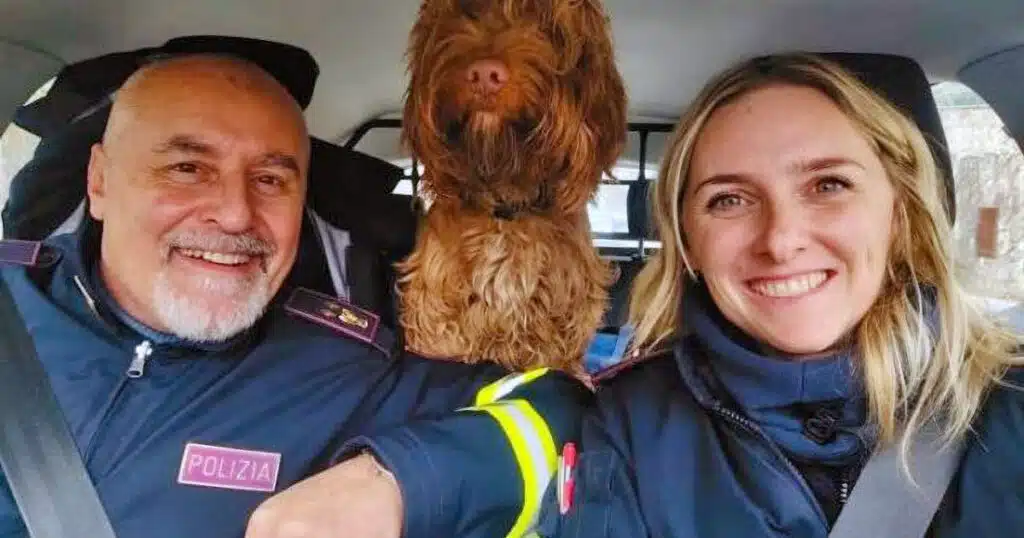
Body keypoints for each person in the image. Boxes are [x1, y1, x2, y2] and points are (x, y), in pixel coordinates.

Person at [0, 53, 587, 538]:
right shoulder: (11, 302)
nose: (235, 214)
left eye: (270, 180)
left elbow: (564, 414)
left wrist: (402, 482)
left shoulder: (344, 370)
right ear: (99, 181)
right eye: (187, 168)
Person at [535, 53, 1024, 538]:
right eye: (729, 199)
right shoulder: (629, 425)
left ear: (899, 213)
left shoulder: (1010, 409)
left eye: (828, 185)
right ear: (687, 243)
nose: (780, 240)